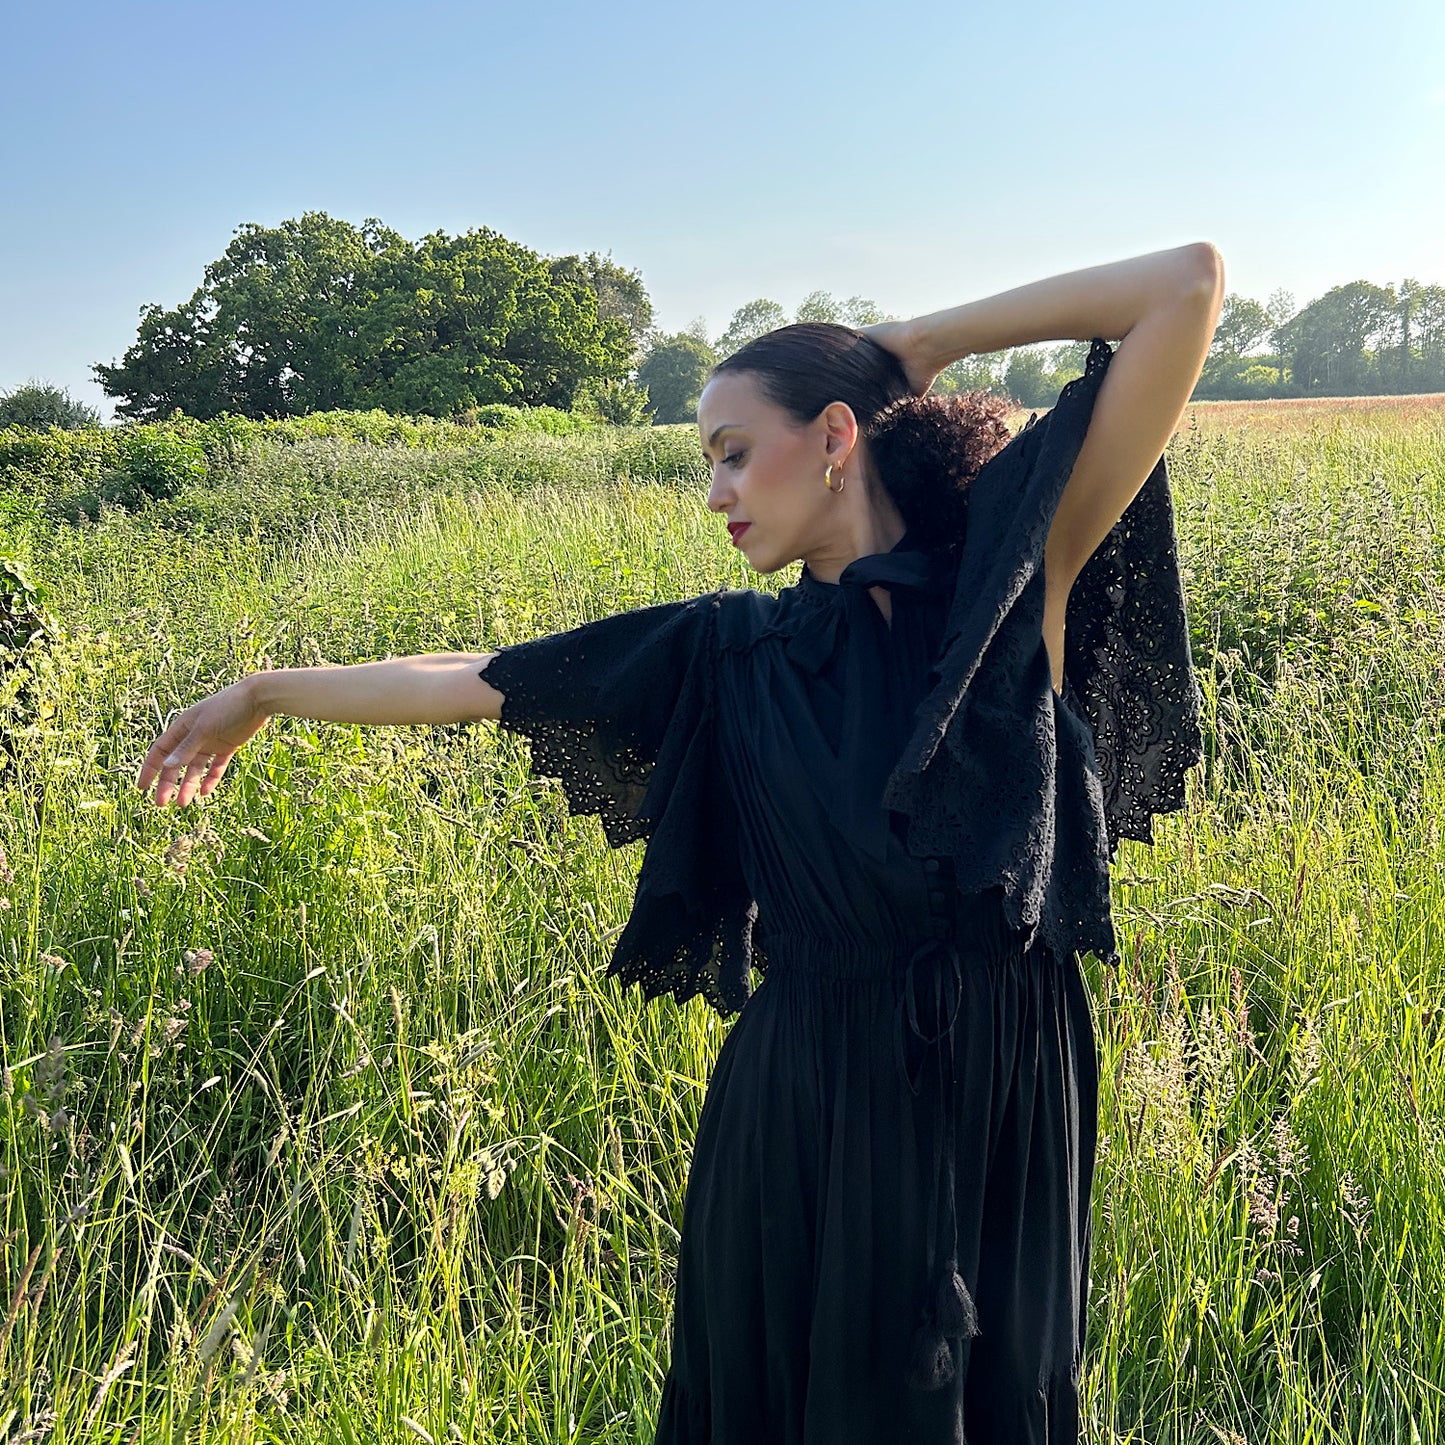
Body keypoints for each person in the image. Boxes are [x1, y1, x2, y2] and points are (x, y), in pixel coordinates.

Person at [137, 242, 1224, 1444]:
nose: (714, 491)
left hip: (1007, 1072)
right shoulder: (725, 651)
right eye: (704, 462)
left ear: (832, 435)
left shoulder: (1012, 579)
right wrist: (267, 690)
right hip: (807, 1085)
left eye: (730, 450)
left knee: (998, 1404)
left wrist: (916, 344)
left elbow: (1185, 285)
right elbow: (477, 677)